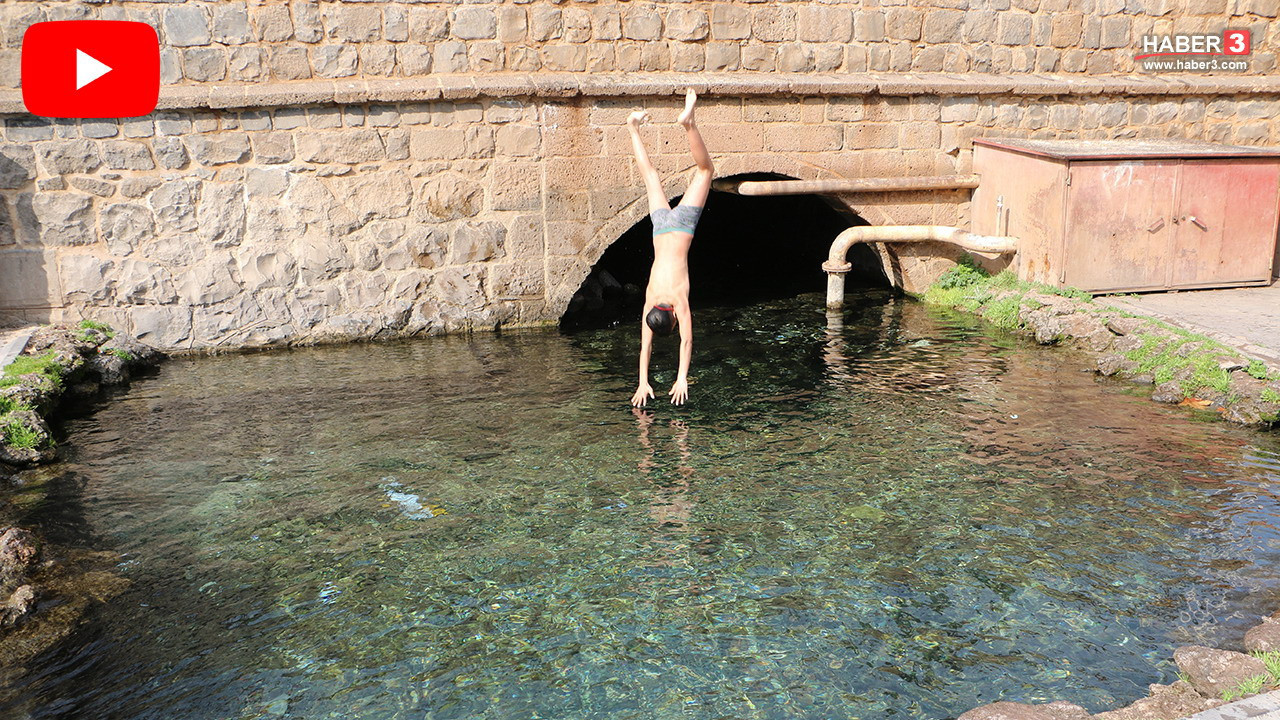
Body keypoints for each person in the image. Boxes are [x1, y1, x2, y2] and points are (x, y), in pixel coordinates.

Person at [628, 89, 714, 407]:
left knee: (705, 171)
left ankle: (689, 123)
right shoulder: (651, 300)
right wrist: (642, 381)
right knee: (649, 175)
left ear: (673, 318)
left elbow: (687, 340)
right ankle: (633, 127)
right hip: (661, 225)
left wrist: (681, 377)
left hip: (683, 228)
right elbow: (644, 348)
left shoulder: (677, 302)